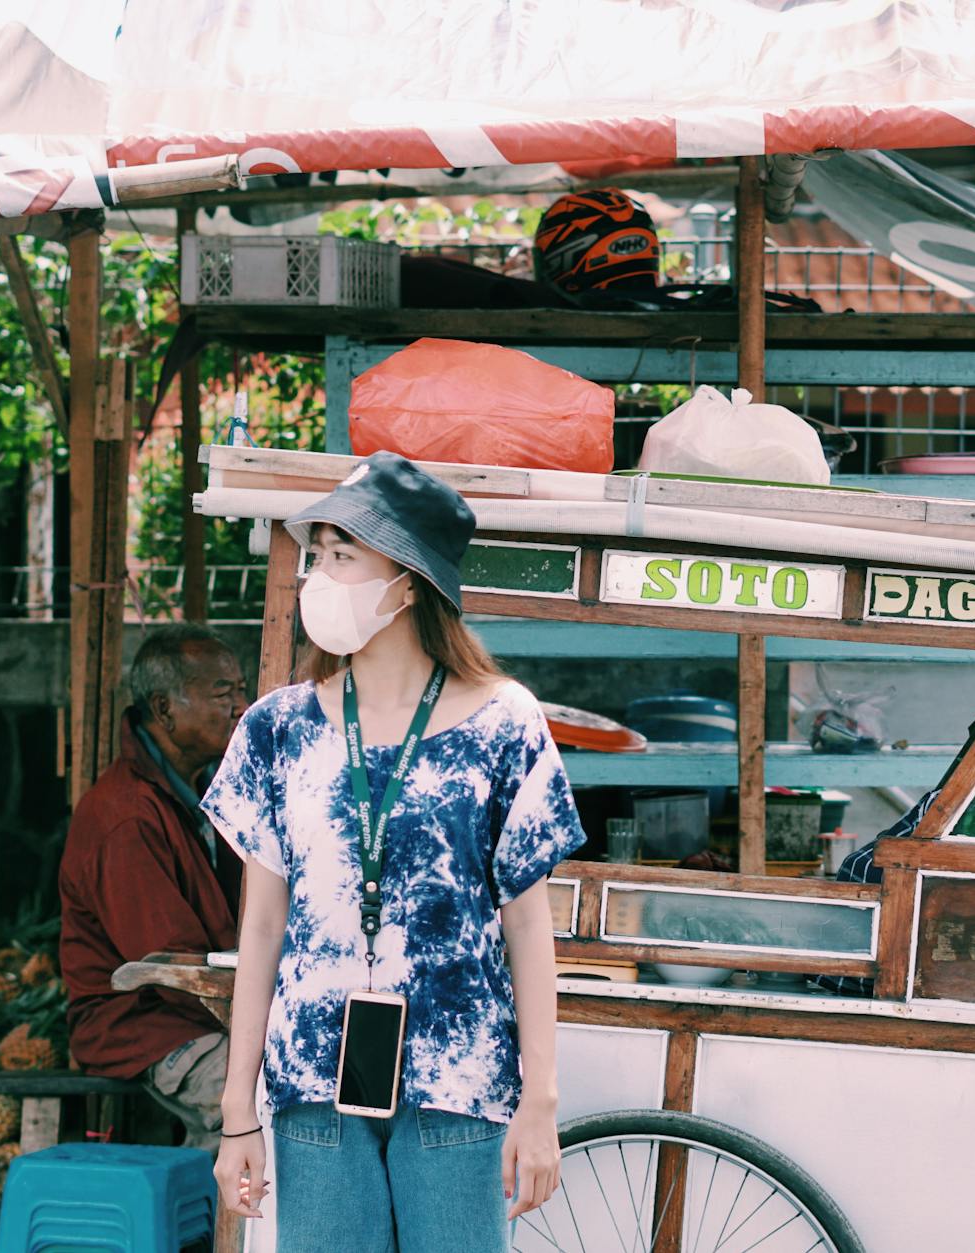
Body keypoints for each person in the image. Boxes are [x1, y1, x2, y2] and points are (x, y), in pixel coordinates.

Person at [205, 452, 585, 1250]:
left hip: (460, 1082)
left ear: (409, 581)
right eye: (318, 556)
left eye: (344, 556)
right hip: (315, 1085)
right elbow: (262, 930)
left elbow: (527, 925)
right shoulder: (278, 730)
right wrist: (238, 1111)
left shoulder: (503, 724)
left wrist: (540, 1100)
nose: (322, 575)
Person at [59, 624, 248, 1151]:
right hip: (144, 1024)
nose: (242, 705)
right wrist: (259, 1022)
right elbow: (169, 965)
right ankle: (210, 1230)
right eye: (224, 693)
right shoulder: (124, 817)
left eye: (241, 688)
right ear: (165, 710)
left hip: (199, 1010)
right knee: (259, 1098)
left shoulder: (202, 788)